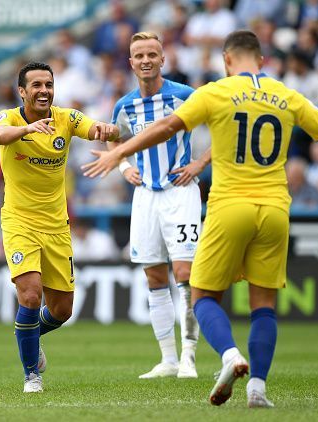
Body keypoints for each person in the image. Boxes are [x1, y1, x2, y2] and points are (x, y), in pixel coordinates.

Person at [82, 30, 318, 408]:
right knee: (263, 305)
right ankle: (257, 388)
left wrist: (118, 152)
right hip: (275, 210)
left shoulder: (214, 91)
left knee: (203, 296)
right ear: (261, 61)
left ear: (226, 60)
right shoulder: (285, 94)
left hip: (230, 207)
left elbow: (166, 127)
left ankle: (228, 355)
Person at [0, 61, 119, 393]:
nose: (44, 91)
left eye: (48, 85)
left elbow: (94, 127)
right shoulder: (8, 118)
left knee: (62, 310)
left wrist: (108, 131)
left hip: (57, 227)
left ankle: (26, 334)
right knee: (31, 295)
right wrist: (28, 130)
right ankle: (31, 374)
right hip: (19, 221)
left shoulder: (65, 118)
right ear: (22, 91)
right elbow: (0, 135)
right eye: (36, 85)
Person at [109, 31, 210, 379]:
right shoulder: (124, 105)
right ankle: (168, 359)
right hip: (146, 197)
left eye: (153, 54)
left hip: (180, 192)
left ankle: (189, 358)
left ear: (163, 59)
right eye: (140, 55)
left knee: (184, 273)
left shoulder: (185, 97)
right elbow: (115, 142)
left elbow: (227, 130)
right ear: (131, 62)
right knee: (153, 274)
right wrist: (124, 167)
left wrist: (200, 163)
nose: (146, 60)